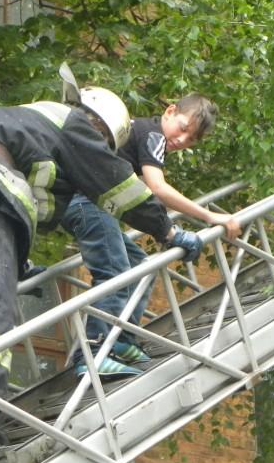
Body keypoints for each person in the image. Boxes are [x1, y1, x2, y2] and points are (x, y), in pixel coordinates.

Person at [0, 86, 206, 458]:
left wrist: (16, 261)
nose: (99, 148)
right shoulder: (75, 124)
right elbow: (120, 187)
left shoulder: (27, 123)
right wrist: (168, 231)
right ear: (99, 126)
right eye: (104, 142)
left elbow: (38, 206)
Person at [61, 94, 242, 377]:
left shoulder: (140, 132)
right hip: (87, 201)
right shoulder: (154, 135)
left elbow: (140, 199)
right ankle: (93, 353)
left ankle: (121, 338)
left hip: (85, 202)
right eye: (183, 128)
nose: (182, 140)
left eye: (191, 140)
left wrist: (164, 229)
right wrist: (210, 216)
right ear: (169, 111)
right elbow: (158, 188)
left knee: (139, 265)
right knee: (114, 272)